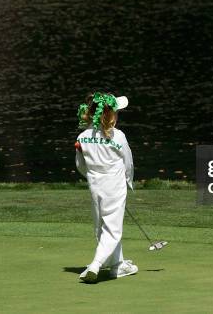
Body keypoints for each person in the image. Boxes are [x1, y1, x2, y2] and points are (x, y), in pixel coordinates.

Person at [75, 92, 137, 283]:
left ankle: (117, 266)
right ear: (111, 115)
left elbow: (80, 165)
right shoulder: (118, 136)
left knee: (102, 225)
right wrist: (129, 181)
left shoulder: (83, 136)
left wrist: (91, 177)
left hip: (95, 185)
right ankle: (96, 264)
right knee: (112, 229)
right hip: (115, 186)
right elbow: (128, 163)